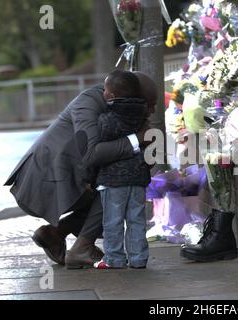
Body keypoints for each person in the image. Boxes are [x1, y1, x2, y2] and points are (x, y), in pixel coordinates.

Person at [4, 71, 158, 269]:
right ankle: (81, 248)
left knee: (123, 182)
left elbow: (142, 157)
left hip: (77, 177)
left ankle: (55, 233)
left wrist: (147, 148)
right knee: (117, 184)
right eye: (149, 104)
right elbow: (91, 153)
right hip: (46, 179)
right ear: (131, 98)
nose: (152, 111)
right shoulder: (88, 103)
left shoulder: (125, 109)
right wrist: (137, 139)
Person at [92, 70, 151, 269]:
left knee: (112, 221)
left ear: (110, 96)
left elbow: (99, 146)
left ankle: (114, 259)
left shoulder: (106, 118)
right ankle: (138, 258)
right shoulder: (143, 115)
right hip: (138, 177)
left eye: (105, 89)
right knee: (137, 220)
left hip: (112, 180)